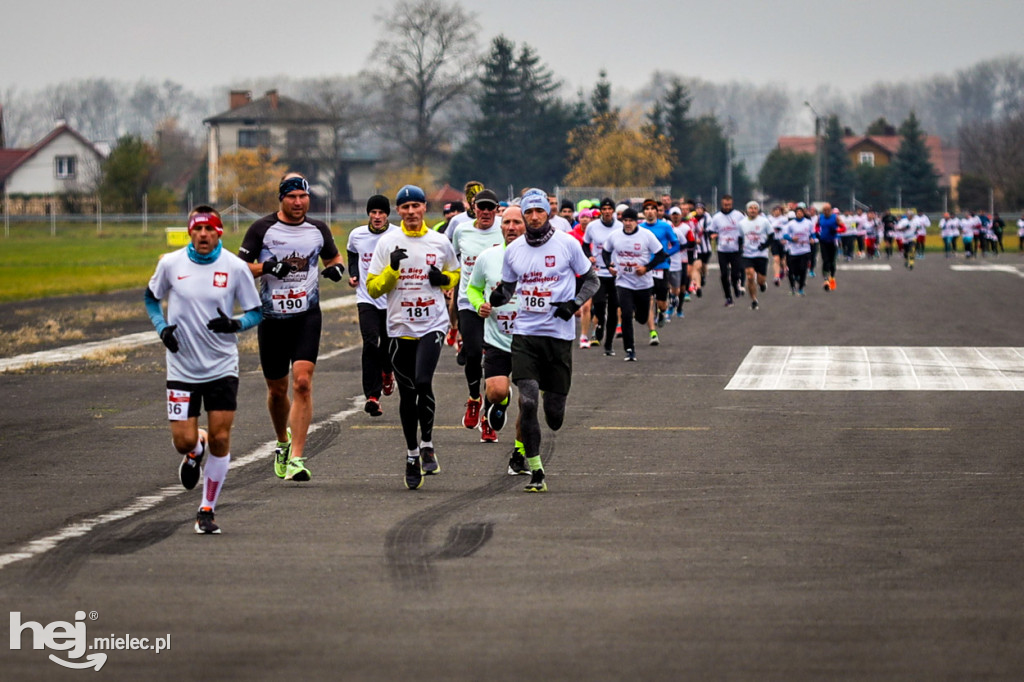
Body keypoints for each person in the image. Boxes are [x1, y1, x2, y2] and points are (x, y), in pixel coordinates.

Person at [145, 206, 262, 534]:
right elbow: (151, 298)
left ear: (219, 233)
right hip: (182, 366)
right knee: (182, 441)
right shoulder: (170, 264)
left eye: (210, 229)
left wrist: (234, 324)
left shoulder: (236, 268)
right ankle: (195, 450)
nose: (203, 235)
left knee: (222, 436)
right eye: (197, 230)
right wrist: (161, 328)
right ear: (190, 232)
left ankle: (207, 509)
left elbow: (256, 312)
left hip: (222, 366)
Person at [488, 189, 599, 492]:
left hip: (559, 336)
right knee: (527, 400)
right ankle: (536, 470)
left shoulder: (567, 244)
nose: (534, 217)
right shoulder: (514, 252)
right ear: (522, 216)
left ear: (547, 213)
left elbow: (592, 280)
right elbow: (507, 290)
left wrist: (573, 305)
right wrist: (499, 297)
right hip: (525, 334)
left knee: (554, 414)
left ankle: (550, 420)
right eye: (529, 212)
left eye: (539, 211)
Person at [239, 173, 345, 483]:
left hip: (306, 317)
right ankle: (283, 442)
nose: (298, 202)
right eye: (292, 197)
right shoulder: (262, 229)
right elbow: (239, 268)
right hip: (271, 319)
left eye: (303, 197)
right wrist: (267, 267)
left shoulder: (318, 229)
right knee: (276, 390)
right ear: (281, 199)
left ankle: (297, 457)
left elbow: (333, 258)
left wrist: (336, 269)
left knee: (302, 383)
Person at [366, 185, 460, 490]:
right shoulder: (387, 243)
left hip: (432, 323)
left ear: (424, 209)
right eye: (404, 207)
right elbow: (373, 288)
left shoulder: (440, 241)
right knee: (407, 393)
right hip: (399, 327)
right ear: (399, 211)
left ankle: (428, 441)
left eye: (415, 206)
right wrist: (393, 269)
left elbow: (455, 273)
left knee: (422, 382)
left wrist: (443, 279)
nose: (410, 212)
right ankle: (412, 454)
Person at [466, 205, 527, 453]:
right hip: (497, 338)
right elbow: (472, 288)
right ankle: (499, 402)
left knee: (529, 401)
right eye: (506, 223)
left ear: (527, 225)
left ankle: (522, 452)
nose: (511, 228)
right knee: (495, 392)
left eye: (517, 222)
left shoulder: (537, 258)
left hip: (528, 340)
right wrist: (480, 304)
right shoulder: (488, 257)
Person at [451, 188, 504, 437]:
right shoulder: (461, 229)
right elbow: (453, 260)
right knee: (473, 353)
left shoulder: (505, 228)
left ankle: (488, 418)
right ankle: (474, 398)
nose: (485, 212)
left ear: (497, 210)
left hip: (499, 303)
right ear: (473, 208)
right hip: (468, 301)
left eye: (490, 207)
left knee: (494, 360)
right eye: (481, 207)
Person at [347, 195, 398, 416]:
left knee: (387, 345)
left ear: (387, 214)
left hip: (390, 299)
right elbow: (352, 254)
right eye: (373, 212)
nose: (377, 217)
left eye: (381, 213)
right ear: (368, 213)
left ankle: (388, 372)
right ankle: (372, 396)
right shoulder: (357, 235)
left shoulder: (397, 234)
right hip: (366, 297)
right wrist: (354, 274)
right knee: (370, 343)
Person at [602, 207, 669, 361]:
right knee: (625, 314)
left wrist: (646, 268)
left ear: (636, 222)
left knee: (642, 317)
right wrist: (609, 266)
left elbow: (661, 255)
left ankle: (644, 314)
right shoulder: (615, 236)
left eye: (631, 220)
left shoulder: (646, 235)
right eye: (625, 220)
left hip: (643, 284)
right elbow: (605, 252)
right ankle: (629, 349)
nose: (628, 223)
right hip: (623, 282)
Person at [582, 198, 622, 355]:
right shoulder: (592, 226)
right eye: (603, 209)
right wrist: (589, 256)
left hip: (615, 273)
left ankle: (609, 343)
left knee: (613, 308)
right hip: (598, 271)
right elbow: (585, 245)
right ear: (600, 211)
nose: (606, 212)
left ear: (613, 211)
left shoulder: (620, 226)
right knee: (598, 304)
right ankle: (600, 324)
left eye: (609, 209)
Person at [639, 198, 680, 340]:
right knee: (649, 300)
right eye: (647, 209)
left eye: (652, 209)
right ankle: (653, 333)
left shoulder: (665, 227)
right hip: (645, 268)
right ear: (644, 212)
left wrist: (666, 254)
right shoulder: (640, 228)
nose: (650, 212)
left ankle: (662, 312)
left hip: (661, 267)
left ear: (657, 212)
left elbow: (676, 244)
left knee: (661, 303)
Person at [708, 195, 745, 307]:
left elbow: (745, 229)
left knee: (735, 274)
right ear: (721, 204)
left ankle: (736, 286)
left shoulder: (738, 216)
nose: (727, 207)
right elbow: (710, 231)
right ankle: (728, 297)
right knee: (724, 274)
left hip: (735, 249)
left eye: (729, 205)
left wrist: (743, 243)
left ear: (732, 204)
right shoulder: (716, 217)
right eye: (725, 205)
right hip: (722, 249)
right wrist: (712, 235)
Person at [739, 201, 772, 310]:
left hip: (761, 254)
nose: (752, 210)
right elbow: (739, 238)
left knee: (760, 279)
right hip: (747, 254)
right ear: (747, 210)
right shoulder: (742, 223)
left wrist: (765, 245)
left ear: (758, 210)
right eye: (750, 208)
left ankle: (762, 284)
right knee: (750, 276)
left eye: (755, 208)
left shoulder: (764, 222)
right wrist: (740, 249)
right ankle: (754, 300)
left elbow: (772, 236)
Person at [782, 205, 814, 296]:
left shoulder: (808, 223)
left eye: (801, 212)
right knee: (793, 270)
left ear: (803, 213)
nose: (799, 214)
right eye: (797, 212)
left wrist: (812, 239)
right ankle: (793, 285)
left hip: (805, 249)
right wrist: (792, 239)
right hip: (793, 251)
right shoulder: (791, 224)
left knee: (803, 269)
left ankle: (800, 289)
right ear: (795, 214)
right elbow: (785, 235)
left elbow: (812, 234)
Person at [816, 203, 843, 291]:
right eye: (824, 210)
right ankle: (825, 279)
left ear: (830, 210)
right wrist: (817, 232)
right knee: (825, 260)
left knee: (832, 261)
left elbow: (843, 228)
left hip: (833, 242)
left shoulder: (835, 218)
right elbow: (816, 226)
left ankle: (832, 278)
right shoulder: (820, 217)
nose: (826, 212)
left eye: (828, 210)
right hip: (823, 241)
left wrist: (836, 230)